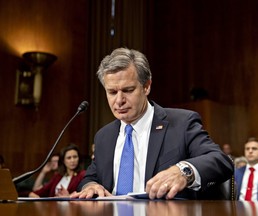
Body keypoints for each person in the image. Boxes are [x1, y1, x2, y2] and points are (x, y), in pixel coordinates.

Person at [70, 47, 234, 200]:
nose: (119, 100)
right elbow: (90, 178)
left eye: (128, 90)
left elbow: (220, 161)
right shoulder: (103, 136)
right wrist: (90, 186)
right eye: (112, 92)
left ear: (146, 86)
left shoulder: (181, 123)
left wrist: (184, 171)